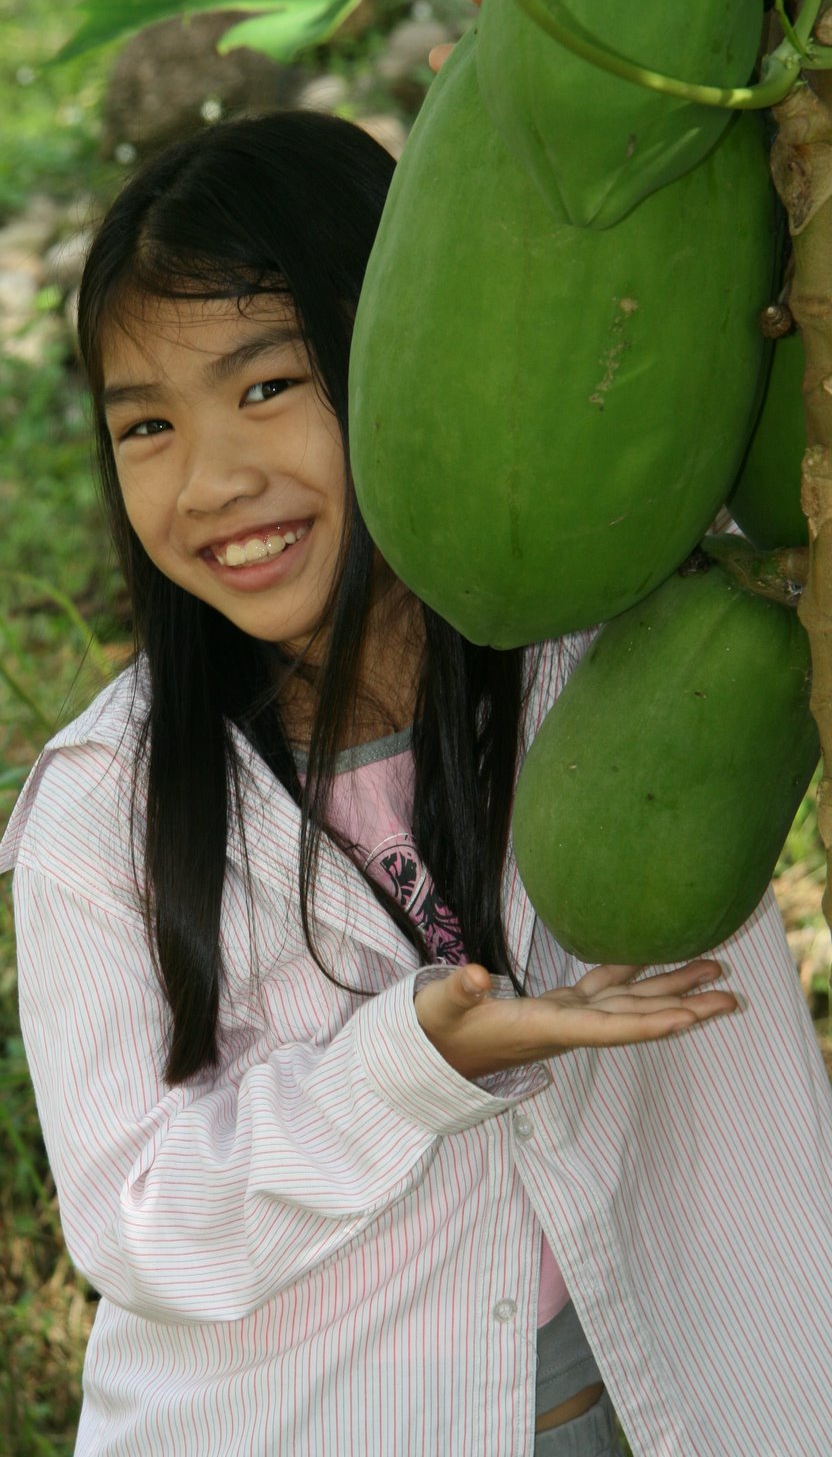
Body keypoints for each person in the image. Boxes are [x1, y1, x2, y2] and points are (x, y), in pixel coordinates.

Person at [1, 103, 831, 1457]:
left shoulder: (636, 637)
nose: (209, 480)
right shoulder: (106, 809)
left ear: (416, 361)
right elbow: (137, 1223)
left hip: (696, 1389)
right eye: (145, 424)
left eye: (268, 387)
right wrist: (412, 1066)